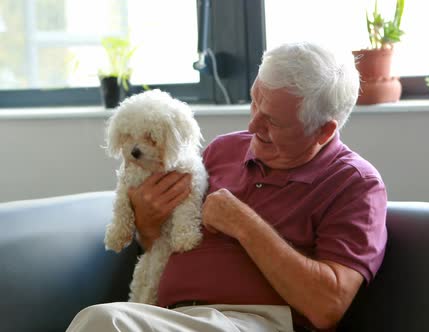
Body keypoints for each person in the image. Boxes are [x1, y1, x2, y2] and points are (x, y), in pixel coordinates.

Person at [67, 42, 388, 332]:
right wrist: (147, 223)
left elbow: (327, 305)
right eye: (254, 103)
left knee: (102, 322)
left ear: (323, 130)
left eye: (273, 121)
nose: (252, 126)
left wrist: (242, 222)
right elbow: (161, 241)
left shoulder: (354, 184)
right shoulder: (222, 151)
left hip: (255, 323)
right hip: (172, 318)